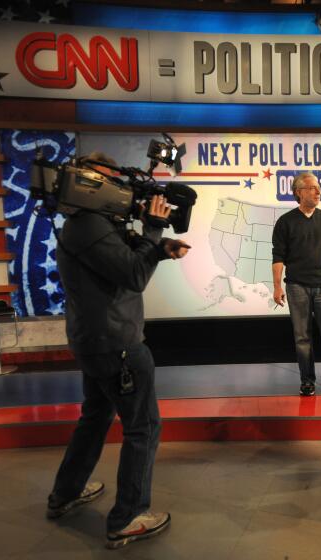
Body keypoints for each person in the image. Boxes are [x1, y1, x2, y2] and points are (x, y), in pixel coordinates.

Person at [46, 152, 191, 550]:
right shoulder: (90, 225)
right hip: (117, 346)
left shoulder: (86, 224)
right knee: (143, 428)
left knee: (94, 418)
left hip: (94, 342)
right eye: (113, 181)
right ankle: (127, 517)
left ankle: (66, 492)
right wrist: (154, 231)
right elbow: (133, 275)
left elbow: (126, 263)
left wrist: (159, 247)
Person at [272, 171, 321, 398]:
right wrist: (277, 287)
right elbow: (278, 258)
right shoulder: (285, 222)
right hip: (296, 287)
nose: (319, 191)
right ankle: (307, 381)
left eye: (318, 188)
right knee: (302, 338)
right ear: (299, 192)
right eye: (313, 188)